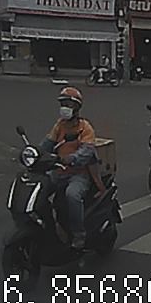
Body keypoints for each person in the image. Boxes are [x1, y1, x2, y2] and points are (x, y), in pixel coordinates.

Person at [41, 87, 97, 249]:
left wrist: (71, 158)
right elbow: (47, 143)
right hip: (58, 171)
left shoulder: (85, 127)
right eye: (63, 104)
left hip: (78, 174)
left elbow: (87, 151)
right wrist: (35, 154)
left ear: (77, 108)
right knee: (39, 189)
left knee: (72, 195)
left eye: (68, 104)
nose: (64, 107)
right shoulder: (60, 125)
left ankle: (79, 234)